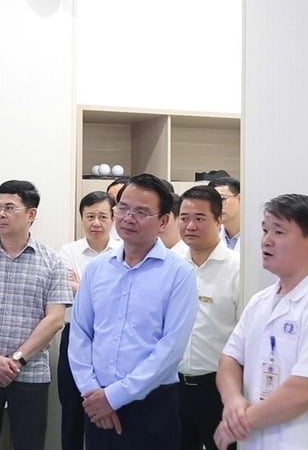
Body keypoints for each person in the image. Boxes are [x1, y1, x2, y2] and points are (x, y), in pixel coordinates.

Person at [214, 194, 308, 450]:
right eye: (265, 230)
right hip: (256, 441)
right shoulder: (260, 301)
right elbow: (230, 359)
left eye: (279, 232)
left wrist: (239, 422)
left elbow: (305, 389)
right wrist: (232, 401)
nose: (267, 240)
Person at [69, 173, 197, 450]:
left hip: (152, 404)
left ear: (163, 221)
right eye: (123, 208)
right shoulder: (97, 269)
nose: (128, 218)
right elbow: (80, 333)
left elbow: (170, 348)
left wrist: (113, 397)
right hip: (96, 400)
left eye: (141, 212)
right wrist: (92, 391)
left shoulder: (179, 274)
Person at [0, 180, 73, 450]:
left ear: (31, 214)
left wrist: (17, 360)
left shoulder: (52, 261)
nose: (0, 214)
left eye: (9, 208)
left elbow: (55, 319)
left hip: (31, 372)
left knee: (29, 443)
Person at [175, 185, 240, 450]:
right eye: (184, 218)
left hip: (217, 389)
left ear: (218, 220)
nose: (190, 225)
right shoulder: (172, 264)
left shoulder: (237, 268)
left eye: (200, 218)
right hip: (174, 386)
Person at [57, 191, 122, 450]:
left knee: (110, 405)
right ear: (81, 218)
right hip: (74, 335)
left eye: (103, 217)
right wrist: (101, 290)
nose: (96, 223)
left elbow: (122, 296)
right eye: (90, 216)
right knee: (72, 408)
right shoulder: (68, 251)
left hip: (112, 338)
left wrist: (81, 286)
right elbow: (65, 288)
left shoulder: (123, 251)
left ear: (113, 219)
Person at [208, 177, 241, 251]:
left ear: (239, 199)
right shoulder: (210, 237)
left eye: (222, 199)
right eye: (212, 201)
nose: (217, 206)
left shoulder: (256, 234)